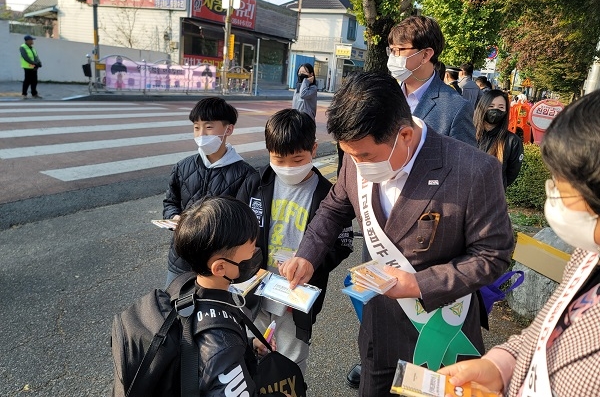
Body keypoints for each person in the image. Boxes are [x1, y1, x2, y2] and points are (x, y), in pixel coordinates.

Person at [281, 71, 514, 397]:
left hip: (442, 327)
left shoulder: (472, 170)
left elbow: (492, 255)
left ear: (404, 135)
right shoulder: (355, 156)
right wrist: (307, 254)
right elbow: (335, 208)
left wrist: (419, 284)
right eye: (350, 155)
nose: (357, 165)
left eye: (365, 156)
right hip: (380, 326)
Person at [438, 91, 600, 397]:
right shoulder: (588, 253)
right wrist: (500, 366)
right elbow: (548, 330)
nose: (550, 193)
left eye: (561, 186)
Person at [236, 108, 353, 374]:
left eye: (297, 159)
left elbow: (343, 243)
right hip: (253, 287)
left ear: (313, 149)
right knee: (244, 352)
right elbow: (237, 226)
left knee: (289, 363)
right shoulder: (255, 184)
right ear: (268, 152)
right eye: (279, 159)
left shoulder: (329, 195)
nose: (288, 168)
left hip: (296, 296)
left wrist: (310, 266)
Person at [172, 195, 288, 396]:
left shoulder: (183, 288)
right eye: (250, 254)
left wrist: (250, 344)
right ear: (220, 268)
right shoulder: (222, 344)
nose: (255, 257)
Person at [163, 97, 256, 287]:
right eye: (196, 127)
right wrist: (173, 217)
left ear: (228, 129)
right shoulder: (183, 167)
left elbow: (244, 222)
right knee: (174, 305)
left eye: (209, 127)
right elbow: (171, 202)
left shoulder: (246, 175)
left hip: (218, 265)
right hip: (181, 258)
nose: (201, 134)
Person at [387, 15, 476, 147]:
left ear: (425, 54)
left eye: (399, 50)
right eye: (391, 50)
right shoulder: (384, 95)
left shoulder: (456, 108)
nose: (393, 57)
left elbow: (464, 163)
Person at [474, 89, 523, 190]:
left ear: (506, 111)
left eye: (501, 107)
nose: (495, 110)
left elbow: (511, 174)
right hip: (462, 196)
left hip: (493, 198)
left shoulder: (512, 141)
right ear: (481, 107)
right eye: (491, 106)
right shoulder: (467, 133)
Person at [20, 35, 42, 99]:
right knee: (27, 81)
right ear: (27, 41)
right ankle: (24, 94)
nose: (32, 41)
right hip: (27, 66)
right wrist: (34, 63)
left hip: (34, 66)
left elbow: (36, 56)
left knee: (34, 81)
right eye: (31, 40)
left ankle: (34, 94)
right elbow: (25, 57)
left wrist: (39, 63)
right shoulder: (22, 47)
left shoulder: (32, 48)